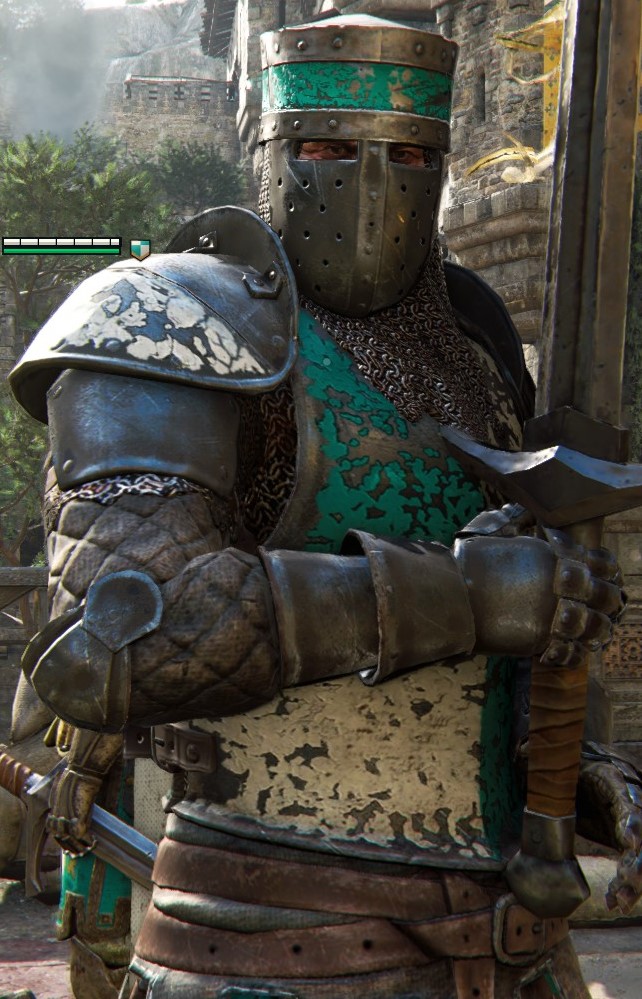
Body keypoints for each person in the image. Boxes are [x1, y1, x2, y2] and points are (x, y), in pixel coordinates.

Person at [8, 13, 641, 999]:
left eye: (411, 157)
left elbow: (528, 610)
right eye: (328, 150)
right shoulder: (169, 321)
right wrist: (468, 598)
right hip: (264, 938)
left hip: (509, 940)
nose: (372, 187)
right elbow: (119, 635)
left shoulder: (471, 346)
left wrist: (568, 757)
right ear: (274, 151)